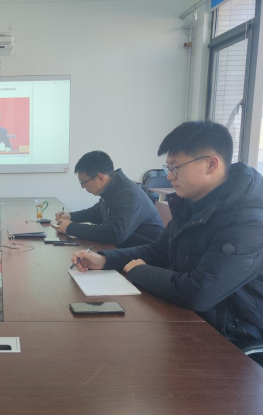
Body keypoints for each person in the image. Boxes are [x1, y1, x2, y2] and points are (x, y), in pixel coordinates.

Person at [72, 121, 263, 357]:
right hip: (183, 318)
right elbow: (158, 250)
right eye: (168, 167)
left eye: (176, 167)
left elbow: (199, 292)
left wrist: (138, 270)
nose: (169, 176)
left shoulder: (249, 221)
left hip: (230, 341)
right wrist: (104, 259)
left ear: (211, 164)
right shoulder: (194, 205)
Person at [55, 151, 163, 248]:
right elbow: (97, 212)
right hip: (124, 249)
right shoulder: (112, 188)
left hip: (143, 256)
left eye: (83, 182)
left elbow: (115, 234)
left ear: (101, 178)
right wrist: (71, 216)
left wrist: (71, 228)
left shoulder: (128, 195)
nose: (82, 186)